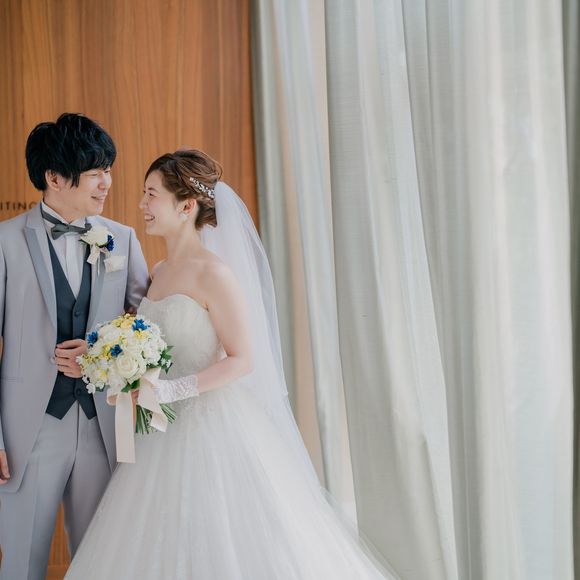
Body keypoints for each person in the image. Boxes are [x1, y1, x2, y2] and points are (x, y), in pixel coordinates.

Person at [65, 149, 398, 579]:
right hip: (159, 429)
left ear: (186, 206)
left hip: (208, 422)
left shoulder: (215, 274)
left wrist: (172, 390)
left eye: (151, 195)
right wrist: (105, 359)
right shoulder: (160, 270)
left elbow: (243, 359)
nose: (142, 204)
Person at [0, 113, 149, 580]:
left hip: (103, 427)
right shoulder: (4, 241)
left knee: (101, 564)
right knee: (21, 564)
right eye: (95, 172)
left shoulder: (121, 239)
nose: (107, 182)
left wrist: (104, 354)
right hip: (28, 433)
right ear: (55, 177)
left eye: (108, 170)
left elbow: (148, 326)